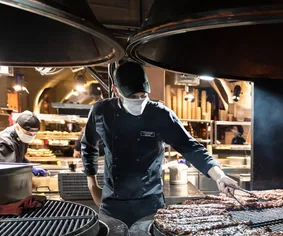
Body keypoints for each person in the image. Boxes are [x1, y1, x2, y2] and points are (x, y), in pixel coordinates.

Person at [81, 61, 238, 226]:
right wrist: (92, 184)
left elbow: (190, 147)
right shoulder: (102, 111)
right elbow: (88, 145)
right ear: (115, 90)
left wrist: (220, 176)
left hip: (150, 204)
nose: (139, 101)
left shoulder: (160, 114)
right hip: (112, 203)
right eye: (132, 97)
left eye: (143, 96)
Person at [0, 111, 47, 176]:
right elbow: (8, 170)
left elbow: (20, 159)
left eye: (34, 134)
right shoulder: (4, 142)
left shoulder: (21, 137)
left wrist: (31, 168)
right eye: (28, 133)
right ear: (17, 127)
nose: (30, 137)